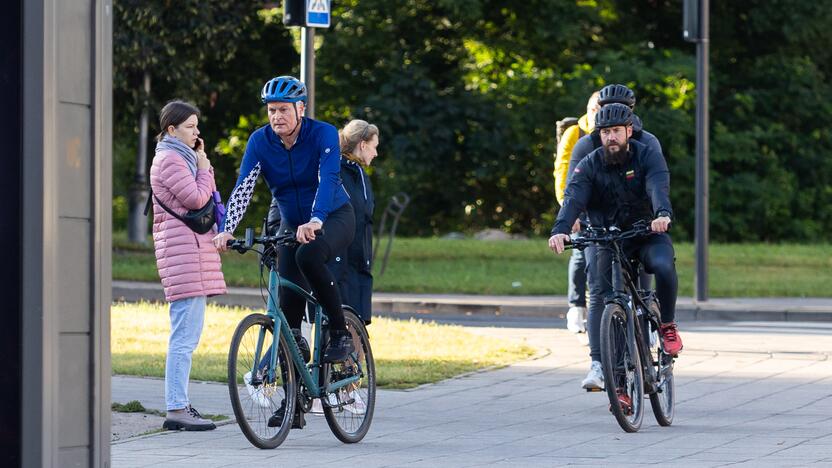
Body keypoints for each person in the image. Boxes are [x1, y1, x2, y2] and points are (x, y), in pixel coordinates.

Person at [212, 76, 356, 427]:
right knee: (285, 306)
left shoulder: (321, 134)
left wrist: (317, 220)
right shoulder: (260, 141)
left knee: (309, 257)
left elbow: (329, 179)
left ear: (300, 109)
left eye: (282, 110)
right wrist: (227, 228)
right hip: (292, 225)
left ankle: (339, 332)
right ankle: (293, 403)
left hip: (334, 216)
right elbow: (244, 185)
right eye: (271, 110)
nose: (276, 116)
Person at [549, 103, 684, 404]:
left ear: (629, 131)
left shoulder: (646, 154)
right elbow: (573, 198)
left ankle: (667, 326)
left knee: (662, 266)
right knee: (612, 300)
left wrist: (661, 213)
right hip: (607, 238)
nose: (611, 137)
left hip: (646, 233)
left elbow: (658, 187)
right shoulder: (590, 163)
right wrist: (560, 229)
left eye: (616, 131)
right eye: (606, 132)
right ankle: (620, 386)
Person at [566, 84, 666, 391]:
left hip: (639, 224)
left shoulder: (646, 143)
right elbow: (575, 188)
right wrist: (575, 222)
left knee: (642, 279)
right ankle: (599, 362)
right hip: (601, 227)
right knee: (599, 291)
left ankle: (648, 326)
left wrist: (657, 217)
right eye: (599, 110)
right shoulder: (587, 146)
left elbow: (656, 183)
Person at [149, 100, 227, 431]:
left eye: (197, 126)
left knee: (186, 335)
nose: (197, 132)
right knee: (184, 336)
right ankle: (177, 408)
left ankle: (179, 405)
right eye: (190, 127)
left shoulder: (177, 158)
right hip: (184, 256)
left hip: (188, 253)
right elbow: (197, 199)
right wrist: (205, 166)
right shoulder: (170, 160)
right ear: (171, 130)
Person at [553, 92, 600, 335]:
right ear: (588, 109)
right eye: (595, 108)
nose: (598, 113)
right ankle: (576, 306)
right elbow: (562, 171)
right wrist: (568, 210)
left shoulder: (612, 132)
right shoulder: (576, 134)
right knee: (581, 253)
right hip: (578, 201)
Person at [328, 119, 379, 325]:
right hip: (343, 262)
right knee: (341, 323)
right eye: (374, 147)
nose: (376, 153)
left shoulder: (358, 173)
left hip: (357, 262)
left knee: (356, 324)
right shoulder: (340, 171)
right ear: (363, 144)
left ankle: (354, 357)